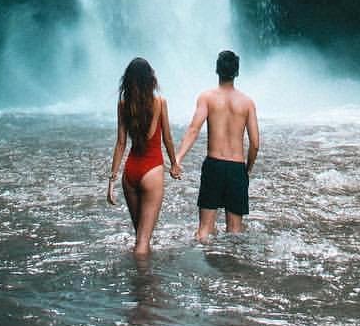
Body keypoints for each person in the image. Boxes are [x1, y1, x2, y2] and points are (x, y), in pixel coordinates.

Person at [175, 49, 259, 240]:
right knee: (235, 231)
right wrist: (247, 169)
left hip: (213, 165)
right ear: (237, 72)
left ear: (217, 70)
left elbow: (193, 129)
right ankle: (232, 268)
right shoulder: (247, 103)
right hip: (237, 167)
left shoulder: (207, 98)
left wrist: (178, 158)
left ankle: (202, 268)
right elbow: (255, 143)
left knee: (204, 229)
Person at [107, 57, 181, 255]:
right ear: (151, 78)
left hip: (130, 173)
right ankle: (145, 283)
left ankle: (137, 280)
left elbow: (121, 143)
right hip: (152, 171)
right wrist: (174, 164)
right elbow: (167, 138)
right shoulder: (159, 102)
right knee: (143, 242)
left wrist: (111, 181)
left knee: (139, 235)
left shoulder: (123, 105)